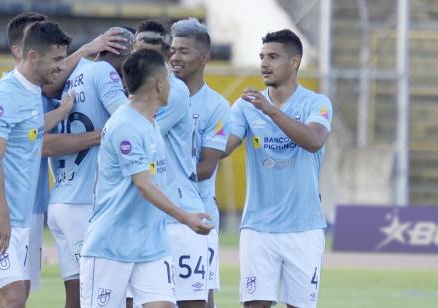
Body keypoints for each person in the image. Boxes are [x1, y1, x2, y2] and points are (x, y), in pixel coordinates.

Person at [4, 12, 128, 299]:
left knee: (65, 292)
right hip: (52, 202)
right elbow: (42, 144)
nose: (56, 61)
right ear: (22, 51)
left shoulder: (65, 83)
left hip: (52, 199)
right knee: (103, 292)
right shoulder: (16, 90)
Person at [79, 48, 213, 308]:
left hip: (150, 243)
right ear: (159, 84)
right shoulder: (126, 125)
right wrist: (185, 217)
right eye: (169, 79)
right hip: (111, 245)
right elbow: (143, 185)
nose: (173, 85)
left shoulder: (149, 122)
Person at [0, 21, 71, 308]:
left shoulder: (32, 91)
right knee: (14, 295)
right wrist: (1, 214)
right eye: (56, 59)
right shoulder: (5, 96)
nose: (60, 67)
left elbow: (29, 130)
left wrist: (61, 113)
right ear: (33, 56)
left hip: (18, 218)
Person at [224, 29, 333, 308]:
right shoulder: (246, 106)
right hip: (258, 228)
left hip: (304, 229)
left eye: (273, 57)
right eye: (262, 57)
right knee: (255, 305)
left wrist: (271, 111)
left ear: (294, 62)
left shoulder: (317, 103)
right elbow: (224, 147)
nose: (264, 63)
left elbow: (313, 140)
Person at [44, 27, 134, 308]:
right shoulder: (104, 74)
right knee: (109, 294)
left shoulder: (72, 78)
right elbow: (127, 123)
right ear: (123, 50)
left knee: (76, 295)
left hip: (61, 199)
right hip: (87, 201)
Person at [134, 20, 210, 308]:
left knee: (191, 303)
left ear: (164, 55)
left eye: (151, 52)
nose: (142, 59)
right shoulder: (145, 93)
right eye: (138, 51)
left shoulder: (173, 92)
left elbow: (139, 135)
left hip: (180, 216)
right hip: (152, 216)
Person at [170, 18, 231, 308]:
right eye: (172, 50)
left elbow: (207, 166)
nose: (175, 57)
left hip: (197, 214)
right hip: (156, 213)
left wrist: (156, 179)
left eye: (184, 51)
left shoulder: (216, 105)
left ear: (204, 57)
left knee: (199, 298)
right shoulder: (158, 95)